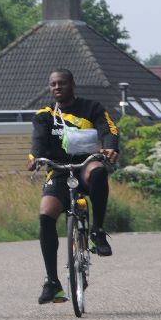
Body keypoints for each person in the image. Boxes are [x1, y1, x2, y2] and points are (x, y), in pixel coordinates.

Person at [28, 68, 119, 305]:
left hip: (85, 165)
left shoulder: (92, 108)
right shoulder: (44, 115)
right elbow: (37, 141)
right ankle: (52, 282)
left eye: (62, 83)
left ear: (72, 85)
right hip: (58, 171)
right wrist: (34, 157)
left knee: (99, 171)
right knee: (46, 214)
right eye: (53, 84)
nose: (57, 87)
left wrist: (110, 147)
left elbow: (109, 129)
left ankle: (97, 231)